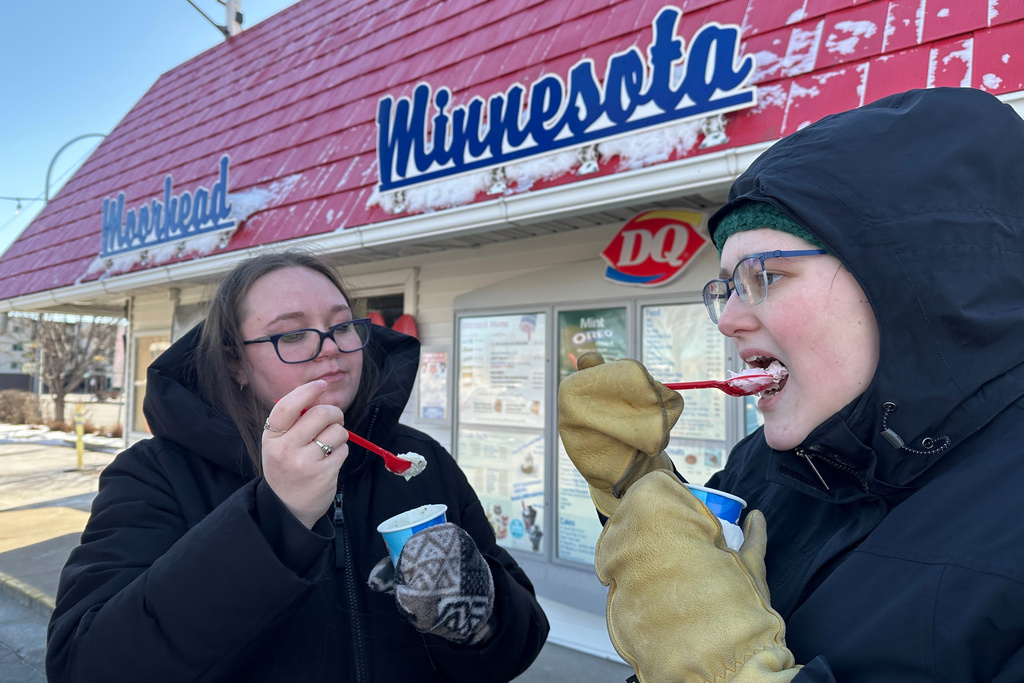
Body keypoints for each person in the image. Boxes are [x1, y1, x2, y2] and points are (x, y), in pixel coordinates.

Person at [558, 87, 1024, 681]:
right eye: (726, 287)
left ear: (912, 281)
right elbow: (690, 596)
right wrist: (640, 494)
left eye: (767, 276)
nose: (728, 319)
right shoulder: (771, 463)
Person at [47, 250, 549, 682]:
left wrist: (478, 617)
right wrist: (274, 518)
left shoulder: (417, 462)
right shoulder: (155, 475)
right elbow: (85, 663)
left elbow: (520, 641)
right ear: (235, 365)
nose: (330, 346)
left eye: (341, 325)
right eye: (291, 335)